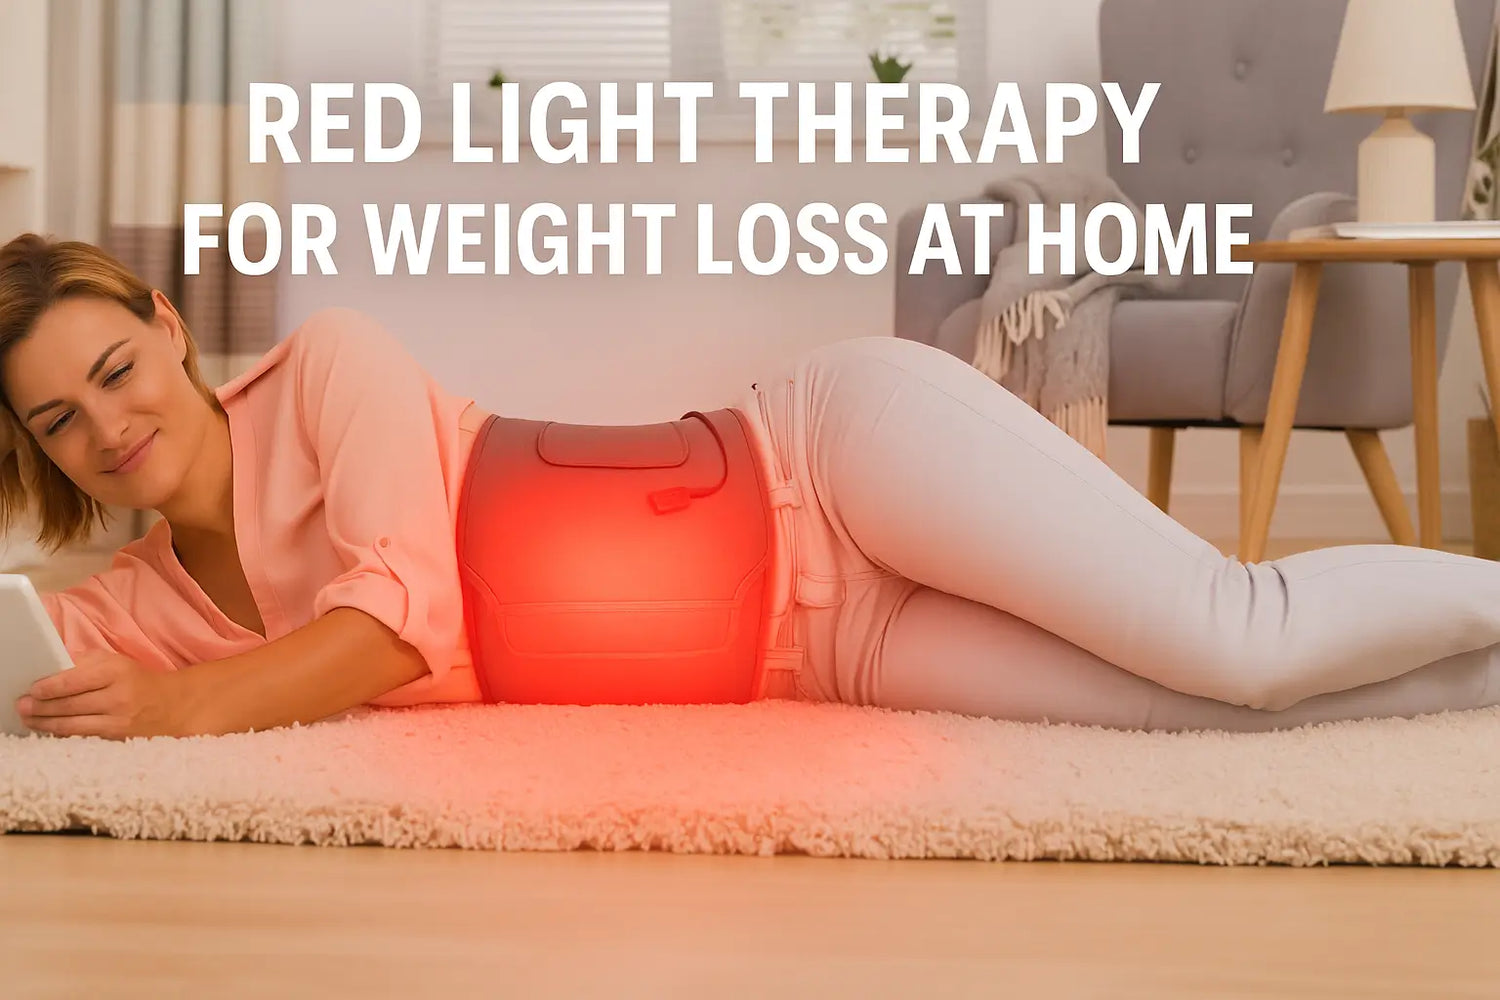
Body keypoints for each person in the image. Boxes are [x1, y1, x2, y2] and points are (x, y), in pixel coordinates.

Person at [5, 232, 1500, 742]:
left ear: (168, 325)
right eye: (60, 423)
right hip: (823, 650)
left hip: (828, 470)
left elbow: (406, 617)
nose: (110, 429)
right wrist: (130, 689)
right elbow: (33, 691)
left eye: (117, 371)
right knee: (1213, 720)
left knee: (1236, 637)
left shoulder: (330, 364)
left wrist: (188, 710)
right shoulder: (136, 612)